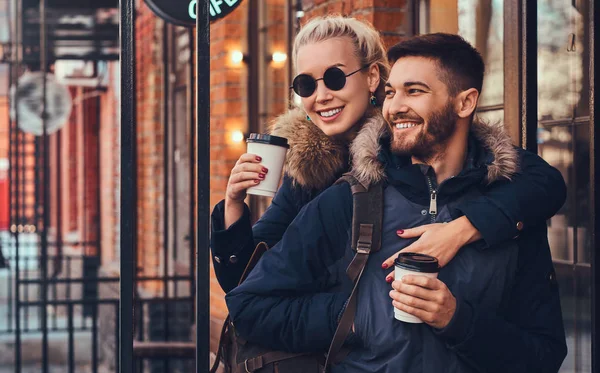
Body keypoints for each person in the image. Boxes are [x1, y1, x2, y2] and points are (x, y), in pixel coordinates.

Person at [225, 33, 567, 373]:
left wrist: (457, 319)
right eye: (392, 93)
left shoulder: (512, 208)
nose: (395, 106)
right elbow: (248, 301)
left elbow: (545, 355)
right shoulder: (343, 196)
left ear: (465, 103)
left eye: (414, 91)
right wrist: (357, 315)